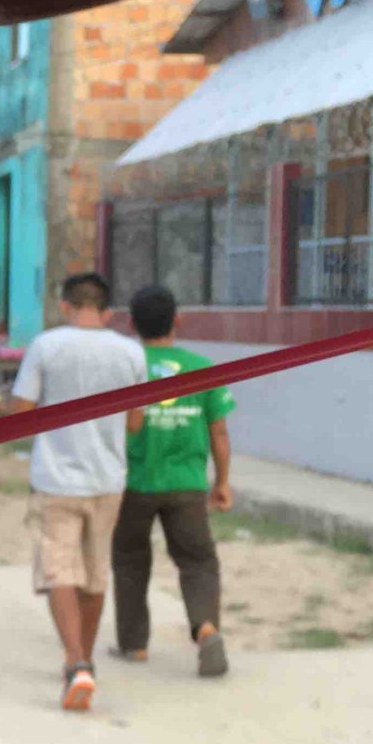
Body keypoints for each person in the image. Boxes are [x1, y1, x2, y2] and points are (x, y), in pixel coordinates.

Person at [1, 272, 148, 713]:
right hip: (108, 479)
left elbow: (22, 412)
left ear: (66, 306)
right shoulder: (130, 352)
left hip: (56, 478)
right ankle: (86, 663)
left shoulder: (46, 346)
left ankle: (75, 661)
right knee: (95, 573)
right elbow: (135, 422)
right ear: (106, 311)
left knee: (59, 570)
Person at [113, 284, 236, 677]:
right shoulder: (203, 368)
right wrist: (222, 481)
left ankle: (134, 644)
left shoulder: (124, 367)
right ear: (177, 320)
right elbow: (219, 431)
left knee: (130, 560)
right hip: (187, 483)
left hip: (133, 481)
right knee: (198, 560)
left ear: (132, 324)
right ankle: (206, 630)